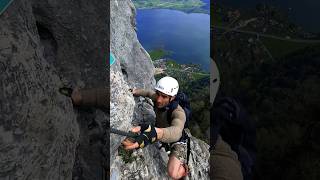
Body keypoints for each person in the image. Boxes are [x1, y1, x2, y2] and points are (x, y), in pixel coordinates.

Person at [122, 76, 189, 180]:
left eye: (164, 96)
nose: (158, 99)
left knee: (173, 174)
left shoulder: (178, 113)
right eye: (158, 94)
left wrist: (158, 132)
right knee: (128, 140)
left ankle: (184, 170)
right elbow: (148, 93)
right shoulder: (158, 97)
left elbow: (177, 130)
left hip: (177, 141)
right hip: (158, 131)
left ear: (172, 98)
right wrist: (135, 91)